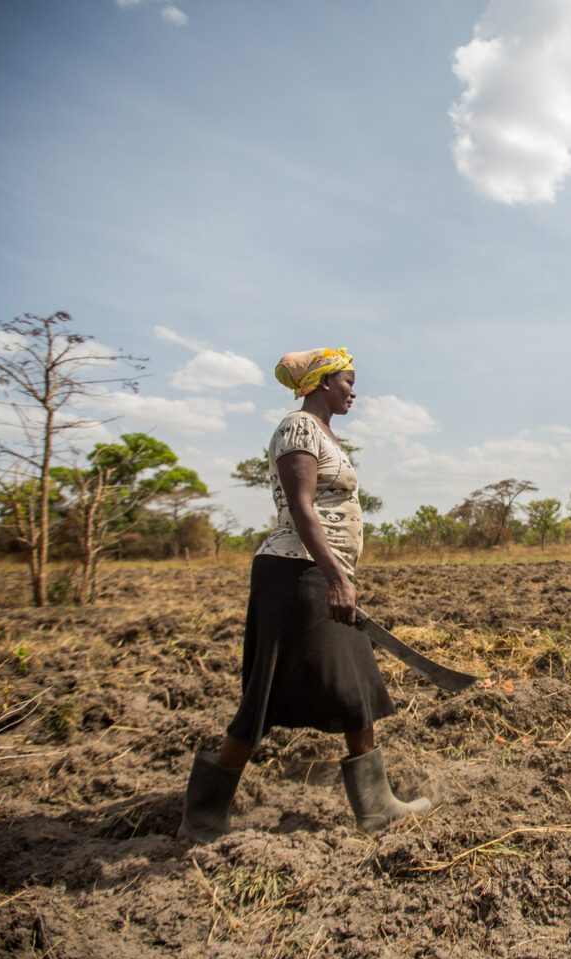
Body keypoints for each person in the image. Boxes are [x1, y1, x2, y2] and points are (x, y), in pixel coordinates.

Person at [177, 347, 430, 842]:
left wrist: (339, 573)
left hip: (318, 571)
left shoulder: (324, 433)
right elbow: (301, 508)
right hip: (297, 573)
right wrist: (336, 577)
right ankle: (202, 815)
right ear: (320, 383)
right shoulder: (298, 428)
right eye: (347, 381)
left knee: (354, 684)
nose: (354, 391)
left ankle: (377, 806)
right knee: (265, 693)